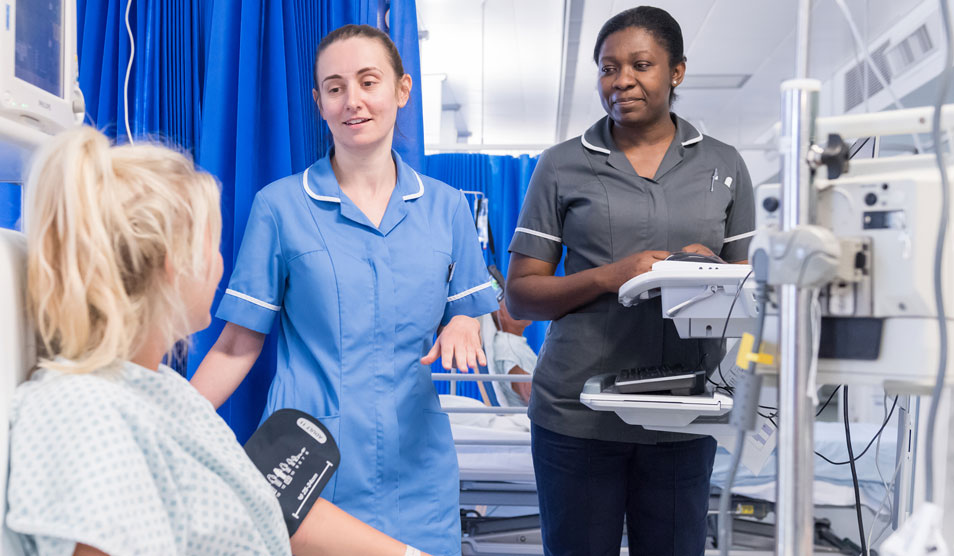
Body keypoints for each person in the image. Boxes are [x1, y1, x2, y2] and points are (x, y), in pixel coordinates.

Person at [7, 126, 434, 556]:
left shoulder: (163, 392)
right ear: (176, 265)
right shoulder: (84, 415)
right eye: (213, 245)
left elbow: (270, 511)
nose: (221, 263)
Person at [190, 24, 497, 556]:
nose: (352, 100)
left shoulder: (447, 209)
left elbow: (469, 311)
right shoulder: (280, 207)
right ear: (320, 102)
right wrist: (167, 423)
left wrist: (465, 320)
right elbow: (238, 345)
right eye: (335, 88)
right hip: (307, 461)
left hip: (416, 466)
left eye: (368, 82)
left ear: (402, 90)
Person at [505, 6, 755, 555]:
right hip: (577, 414)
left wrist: (704, 272)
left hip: (683, 414)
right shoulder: (562, 165)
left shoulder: (726, 166)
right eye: (608, 67)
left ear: (677, 72)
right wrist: (612, 275)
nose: (622, 81)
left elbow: (747, 293)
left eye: (641, 65)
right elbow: (520, 295)